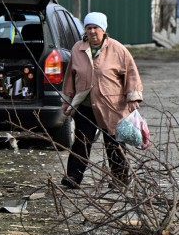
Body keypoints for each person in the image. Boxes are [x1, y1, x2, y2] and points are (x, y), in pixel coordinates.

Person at [59, 12, 144, 190]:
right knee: (81, 141)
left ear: (103, 30)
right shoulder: (78, 48)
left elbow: (131, 73)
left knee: (114, 142)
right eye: (88, 28)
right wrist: (67, 99)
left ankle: (120, 180)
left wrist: (133, 96)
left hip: (112, 105)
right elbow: (70, 76)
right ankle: (73, 178)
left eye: (95, 28)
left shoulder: (118, 49)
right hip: (85, 104)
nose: (92, 32)